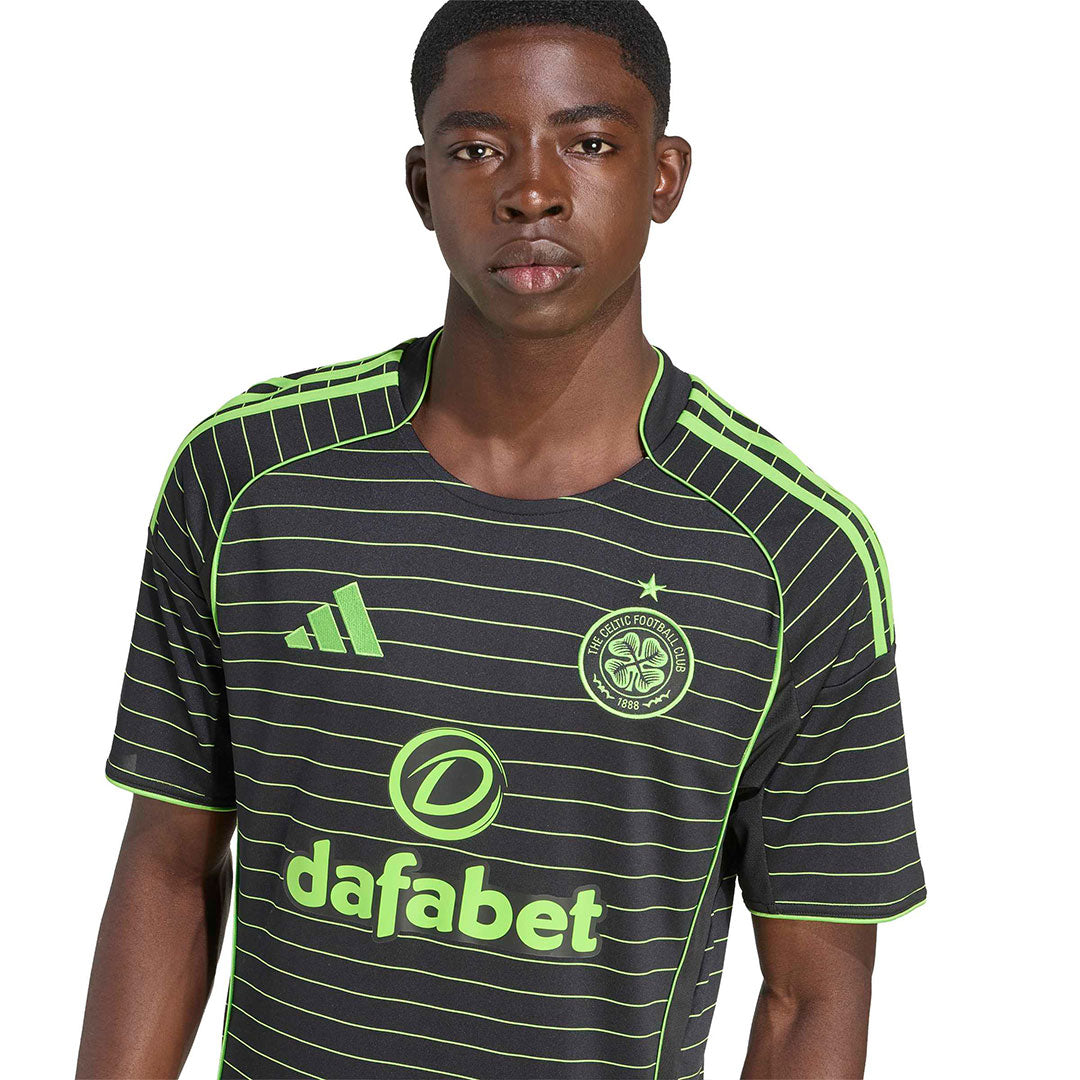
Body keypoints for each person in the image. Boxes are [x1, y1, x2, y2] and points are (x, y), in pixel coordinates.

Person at [77, 3, 925, 1078]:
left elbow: (811, 995)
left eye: (590, 143)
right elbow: (167, 870)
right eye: (478, 148)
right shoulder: (251, 478)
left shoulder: (793, 554)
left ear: (665, 175)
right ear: (422, 185)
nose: (532, 191)